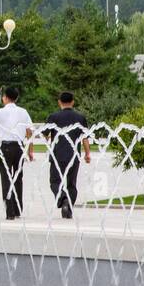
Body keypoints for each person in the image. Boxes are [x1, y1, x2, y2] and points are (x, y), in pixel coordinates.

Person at [42, 91, 91, 219]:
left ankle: (63, 198)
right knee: (71, 184)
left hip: (57, 155)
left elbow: (45, 134)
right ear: (73, 102)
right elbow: (85, 138)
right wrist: (87, 154)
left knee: (55, 181)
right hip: (73, 156)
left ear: (59, 102)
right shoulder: (80, 118)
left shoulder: (53, 117)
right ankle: (68, 205)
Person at [0, 86, 33, 220]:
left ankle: (10, 210)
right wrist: (30, 150)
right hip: (19, 147)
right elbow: (30, 131)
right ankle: (18, 208)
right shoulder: (23, 112)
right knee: (18, 178)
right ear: (16, 98)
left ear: (6, 98)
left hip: (6, 147)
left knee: (6, 177)